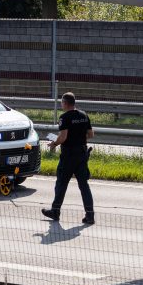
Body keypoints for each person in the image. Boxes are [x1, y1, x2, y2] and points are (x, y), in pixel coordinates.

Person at [41, 92, 95, 224]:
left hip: (69, 155)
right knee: (84, 185)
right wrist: (79, 139)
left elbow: (63, 137)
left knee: (61, 184)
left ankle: (55, 211)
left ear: (65, 103)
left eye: (62, 103)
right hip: (82, 154)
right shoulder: (83, 115)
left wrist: (54, 144)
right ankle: (90, 215)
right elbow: (91, 134)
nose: (61, 105)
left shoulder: (64, 117)